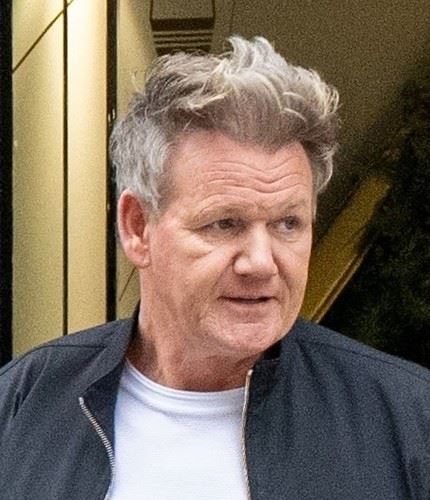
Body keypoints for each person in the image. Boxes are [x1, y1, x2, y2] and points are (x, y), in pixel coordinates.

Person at [0, 36, 429, 500]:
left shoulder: (406, 419)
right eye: (224, 223)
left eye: (288, 224)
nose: (260, 262)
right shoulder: (25, 401)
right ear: (138, 227)